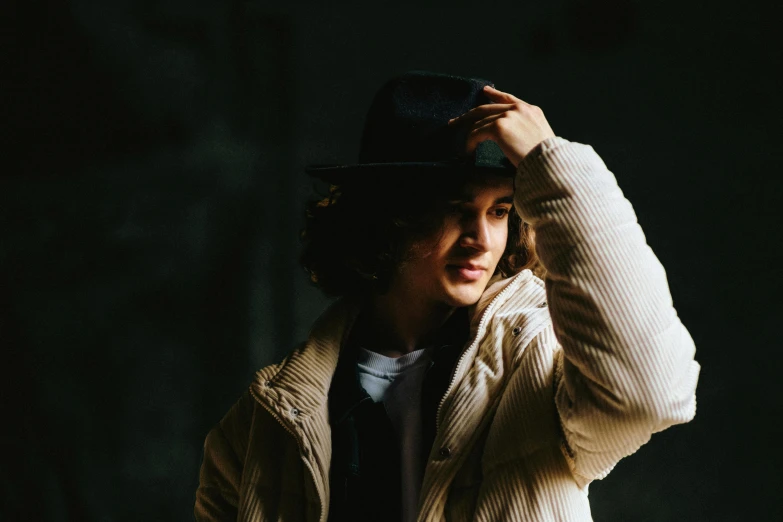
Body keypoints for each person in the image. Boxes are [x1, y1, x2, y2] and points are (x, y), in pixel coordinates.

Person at [194, 71, 700, 522]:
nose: (480, 238)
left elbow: (649, 394)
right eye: (454, 208)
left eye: (500, 211)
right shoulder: (264, 423)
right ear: (385, 218)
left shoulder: (538, 367)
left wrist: (554, 167)